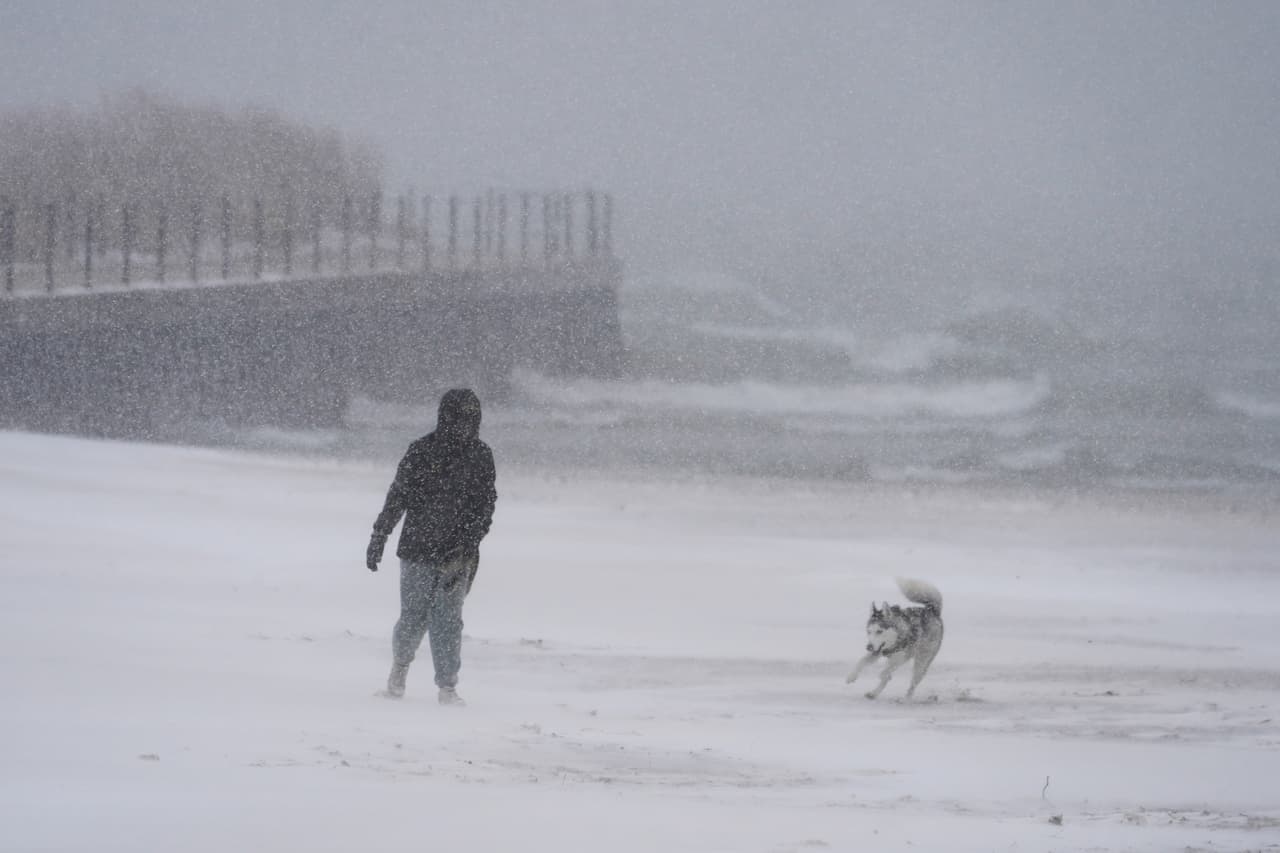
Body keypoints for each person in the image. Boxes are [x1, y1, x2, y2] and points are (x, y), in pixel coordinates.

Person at [366, 388, 497, 706]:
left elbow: (485, 506)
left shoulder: (481, 456)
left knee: (448, 620)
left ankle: (447, 688)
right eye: (460, 418)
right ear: (445, 417)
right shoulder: (421, 452)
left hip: (458, 555)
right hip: (417, 550)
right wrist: (379, 535)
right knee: (413, 617)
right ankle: (398, 672)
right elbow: (398, 496)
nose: (465, 425)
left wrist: (467, 544)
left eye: (470, 418)